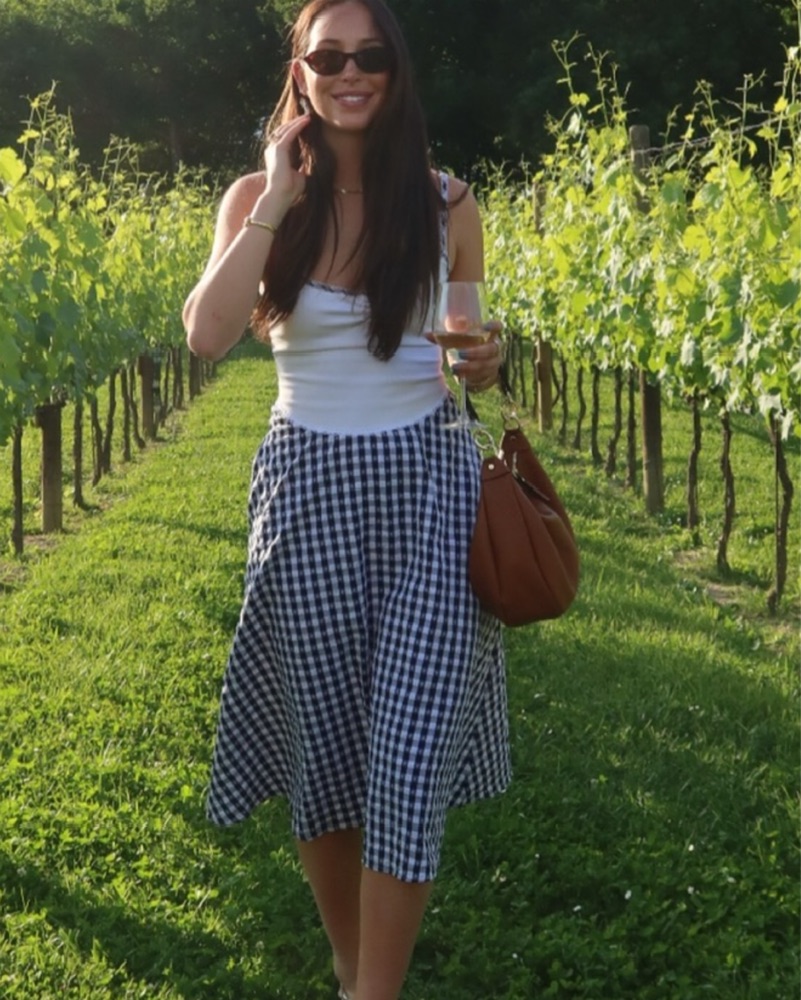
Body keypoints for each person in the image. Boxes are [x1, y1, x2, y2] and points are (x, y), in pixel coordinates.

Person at [182, 2, 510, 997]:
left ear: (395, 70)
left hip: (430, 486)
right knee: (323, 750)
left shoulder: (448, 203)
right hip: (308, 486)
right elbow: (207, 334)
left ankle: (374, 990)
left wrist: (487, 359)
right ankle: (347, 955)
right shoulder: (257, 198)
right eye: (328, 57)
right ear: (301, 73)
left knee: (407, 753)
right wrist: (279, 193)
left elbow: (469, 344)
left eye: (369, 55)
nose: (350, 71)